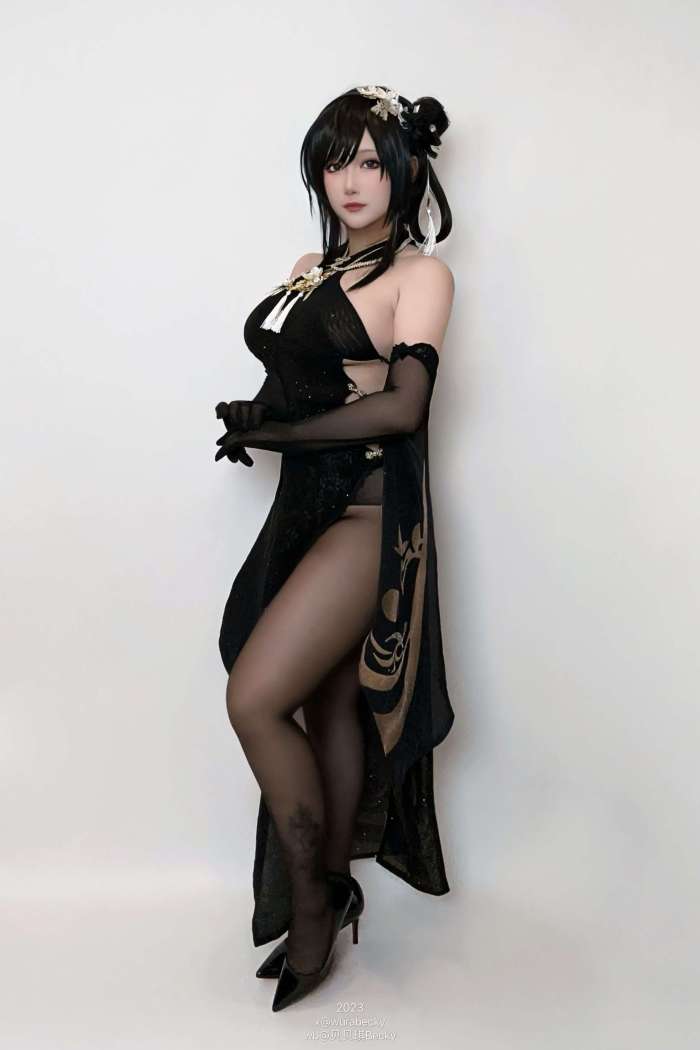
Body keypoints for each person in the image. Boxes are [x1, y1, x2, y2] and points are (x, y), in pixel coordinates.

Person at [214, 84, 456, 1012]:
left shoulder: (421, 276)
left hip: (368, 515)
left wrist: (281, 433)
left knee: (254, 699)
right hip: (304, 512)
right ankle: (332, 892)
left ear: (403, 169)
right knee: (327, 704)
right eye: (333, 161)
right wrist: (258, 416)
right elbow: (305, 382)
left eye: (367, 161)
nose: (349, 180)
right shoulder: (310, 267)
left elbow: (402, 408)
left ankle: (315, 903)